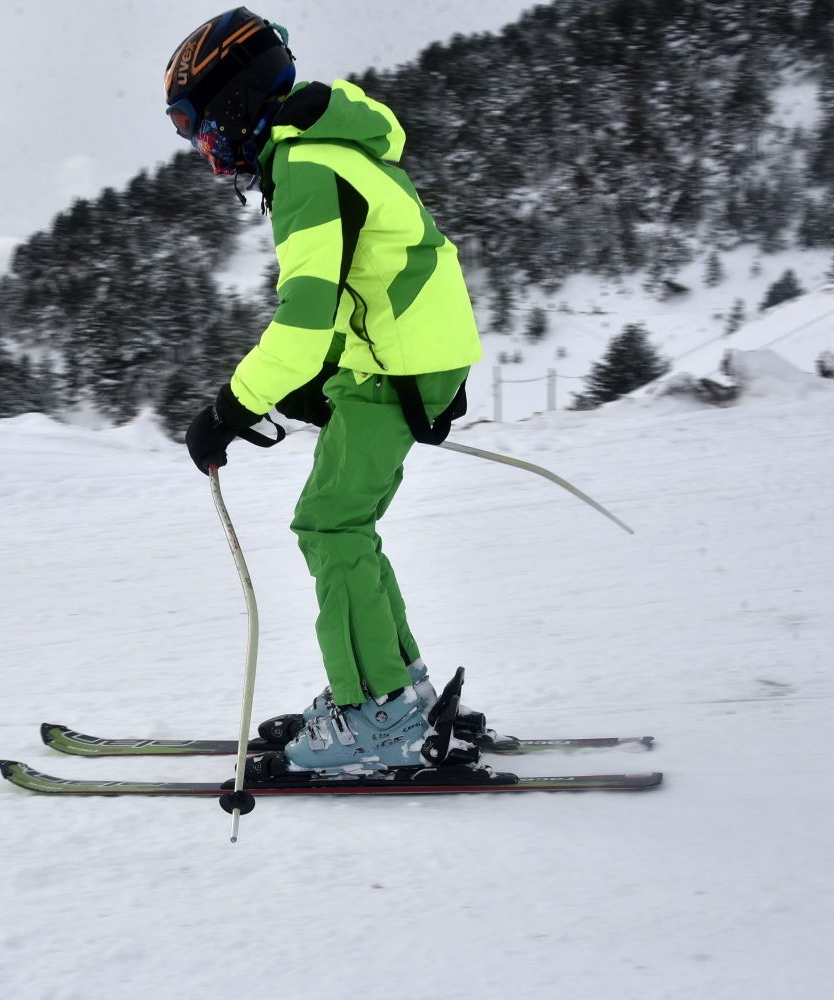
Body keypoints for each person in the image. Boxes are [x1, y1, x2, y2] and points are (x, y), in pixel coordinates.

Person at [166, 9, 486, 774]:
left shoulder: (306, 168)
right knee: (350, 523)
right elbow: (363, 290)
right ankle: (397, 688)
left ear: (237, 102)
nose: (208, 153)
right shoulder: (330, 150)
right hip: (406, 359)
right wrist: (317, 387)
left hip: (398, 366)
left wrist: (227, 410)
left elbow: (305, 320)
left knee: (329, 527)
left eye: (199, 127)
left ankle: (376, 713)